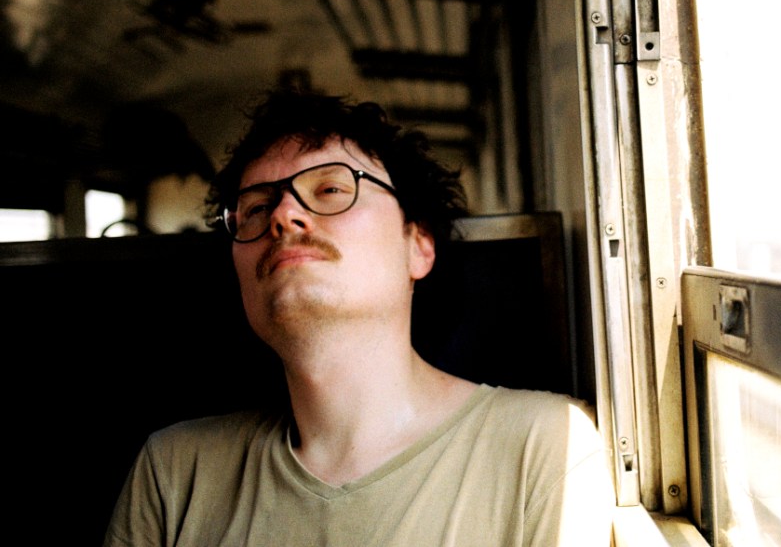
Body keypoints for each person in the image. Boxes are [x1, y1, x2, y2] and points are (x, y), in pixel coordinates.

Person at [103, 90, 615, 546]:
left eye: (330, 189)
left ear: (418, 245)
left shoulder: (548, 444)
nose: (282, 215)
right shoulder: (175, 471)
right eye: (255, 209)